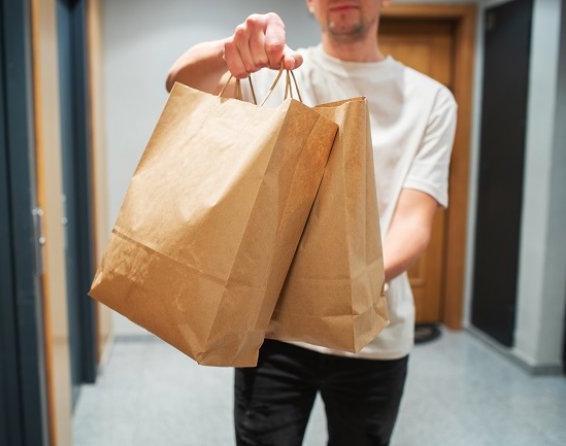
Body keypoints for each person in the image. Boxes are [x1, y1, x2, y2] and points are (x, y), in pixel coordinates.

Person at [166, 1, 457, 445]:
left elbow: (413, 224)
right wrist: (230, 51)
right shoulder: (280, 72)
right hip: (274, 333)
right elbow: (179, 84)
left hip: (373, 335)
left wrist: (336, 290)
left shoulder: (431, 99)